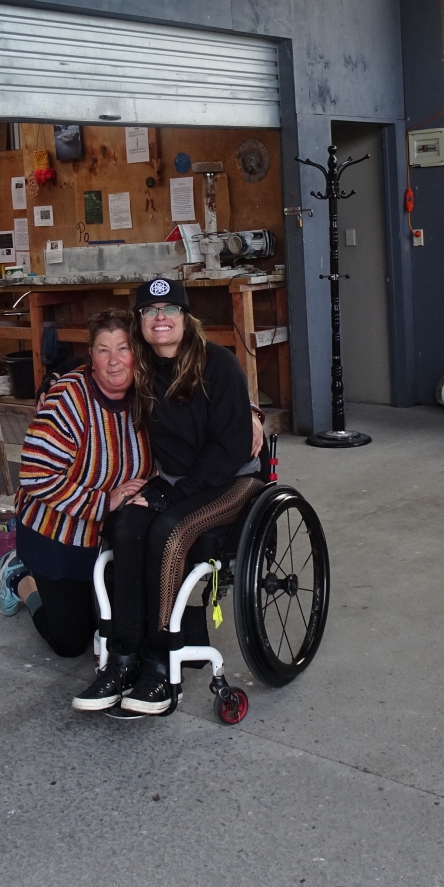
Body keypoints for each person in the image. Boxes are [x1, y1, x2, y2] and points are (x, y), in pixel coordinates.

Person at [72, 276, 263, 716]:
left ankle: (161, 665)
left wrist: (173, 492)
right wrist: (51, 385)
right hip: (176, 480)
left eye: (170, 309)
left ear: (185, 316)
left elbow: (229, 448)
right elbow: (96, 369)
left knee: (169, 532)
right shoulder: (141, 366)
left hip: (231, 479)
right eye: (150, 311)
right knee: (125, 525)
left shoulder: (218, 364)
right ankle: (123, 658)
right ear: (140, 321)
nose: (160, 318)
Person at [0, 311, 150, 658]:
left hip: (111, 535)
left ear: (137, 353)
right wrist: (103, 502)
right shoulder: (68, 399)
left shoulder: (148, 391)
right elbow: (35, 475)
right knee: (71, 642)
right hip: (56, 532)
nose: (114, 361)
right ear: (90, 356)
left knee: (117, 626)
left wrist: (252, 414)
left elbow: (205, 389)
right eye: (103, 350)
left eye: (123, 348)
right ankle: (19, 578)